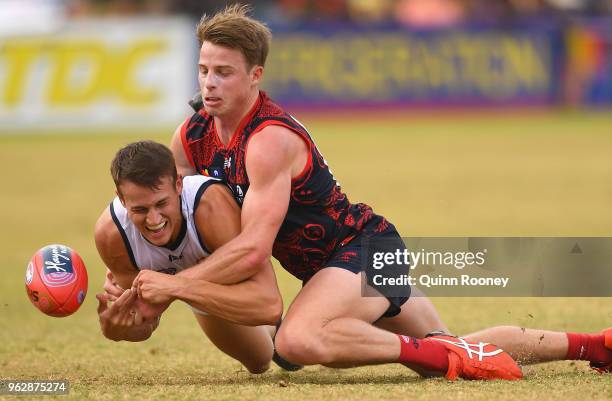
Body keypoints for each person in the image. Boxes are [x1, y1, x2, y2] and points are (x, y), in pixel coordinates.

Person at [153, 4, 611, 380]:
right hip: (336, 269)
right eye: (204, 70)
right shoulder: (190, 136)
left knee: (296, 341)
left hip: (365, 250)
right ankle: (596, 345)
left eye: (224, 72)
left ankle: (440, 357)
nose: (209, 83)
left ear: (255, 76)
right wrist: (138, 268)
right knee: (453, 345)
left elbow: (253, 250)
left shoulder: (268, 139)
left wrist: (173, 285)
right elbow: (177, 218)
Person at [94, 140, 283, 374]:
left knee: (262, 355)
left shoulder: (210, 205)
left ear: (178, 184)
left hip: (221, 281)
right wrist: (119, 330)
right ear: (121, 199)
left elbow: (268, 305)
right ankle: (273, 335)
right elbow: (145, 321)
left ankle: (275, 333)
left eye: (162, 203)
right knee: (258, 361)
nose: (154, 220)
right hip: (199, 291)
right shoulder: (111, 236)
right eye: (140, 210)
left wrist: (176, 287)